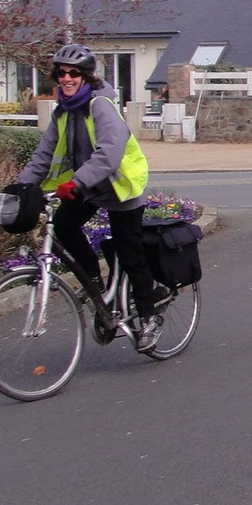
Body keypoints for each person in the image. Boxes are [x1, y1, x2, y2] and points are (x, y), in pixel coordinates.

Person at [12, 43, 161, 351]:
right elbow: (44, 153)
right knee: (64, 227)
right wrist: (21, 185)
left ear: (87, 77)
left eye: (74, 74)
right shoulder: (63, 111)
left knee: (130, 253)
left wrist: (76, 183)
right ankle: (95, 283)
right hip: (89, 186)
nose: (66, 78)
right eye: (61, 73)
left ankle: (148, 318)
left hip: (120, 187)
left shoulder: (100, 105)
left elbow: (109, 153)